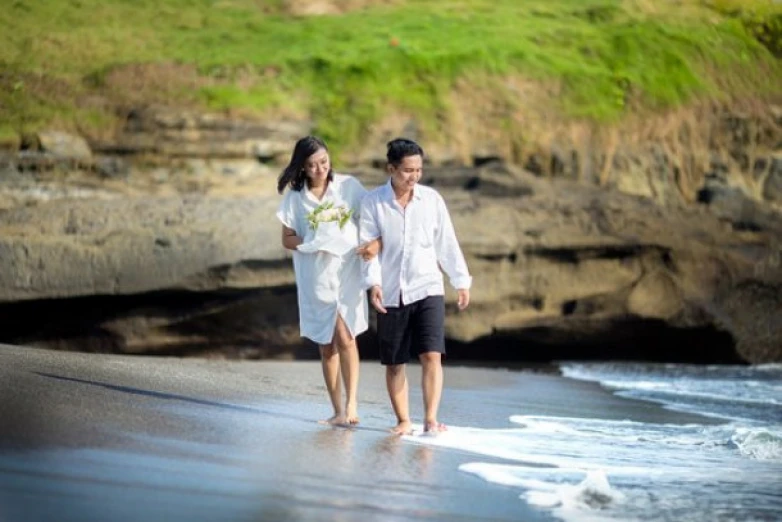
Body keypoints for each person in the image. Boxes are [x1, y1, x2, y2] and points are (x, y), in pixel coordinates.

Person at [359, 138, 471, 435]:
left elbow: (446, 242)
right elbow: (368, 249)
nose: (414, 176)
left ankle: (431, 419)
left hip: (428, 286)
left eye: (419, 170)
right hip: (392, 290)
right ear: (391, 168)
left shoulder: (432, 200)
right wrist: (374, 284)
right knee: (395, 362)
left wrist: (460, 280)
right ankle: (403, 420)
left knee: (432, 354)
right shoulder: (373, 202)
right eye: (408, 170)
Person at [276, 136, 379, 426]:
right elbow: (287, 239)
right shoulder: (296, 197)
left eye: (324, 161)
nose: (320, 169)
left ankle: (352, 405)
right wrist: (311, 242)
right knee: (326, 345)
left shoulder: (349, 187)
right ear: (302, 168)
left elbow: (370, 220)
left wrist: (372, 246)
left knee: (346, 335)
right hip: (315, 276)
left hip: (347, 270)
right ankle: (336, 410)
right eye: (312, 165)